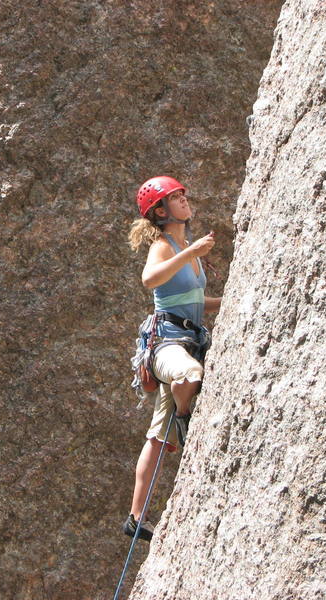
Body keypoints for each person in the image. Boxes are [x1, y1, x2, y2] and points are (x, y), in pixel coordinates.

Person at [123, 175, 222, 542]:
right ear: (161, 211)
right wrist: (190, 253)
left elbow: (195, 303)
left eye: (183, 196)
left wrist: (228, 300)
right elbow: (150, 280)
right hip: (166, 345)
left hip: (188, 338)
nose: (184, 201)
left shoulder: (185, 251)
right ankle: (185, 417)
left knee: (156, 438)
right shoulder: (165, 247)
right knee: (188, 376)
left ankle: (134, 518)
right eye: (175, 198)